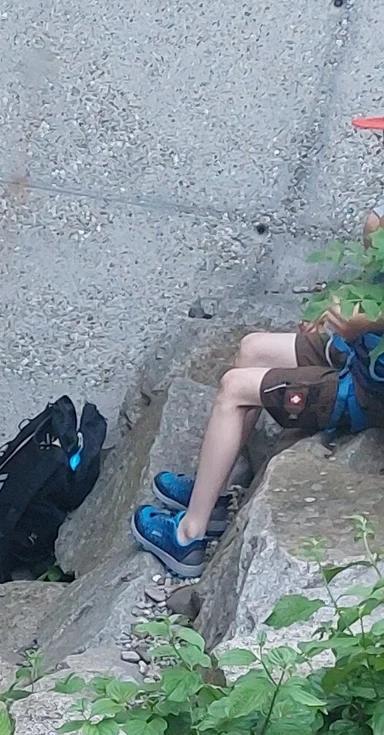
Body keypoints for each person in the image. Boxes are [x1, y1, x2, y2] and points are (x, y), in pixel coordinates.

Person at [134, 217, 384, 578]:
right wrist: (335, 311)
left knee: (235, 391)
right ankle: (212, 492)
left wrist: (367, 323)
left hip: (367, 393)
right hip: (360, 355)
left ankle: (189, 536)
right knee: (252, 348)